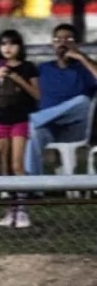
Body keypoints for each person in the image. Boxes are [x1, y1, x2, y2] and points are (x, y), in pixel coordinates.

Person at [24, 23, 97, 205]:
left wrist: (82, 57)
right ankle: (34, 190)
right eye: (58, 40)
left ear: (76, 44)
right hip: (50, 127)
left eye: (68, 39)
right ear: (53, 44)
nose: (62, 43)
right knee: (34, 134)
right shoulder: (43, 68)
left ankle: (34, 119)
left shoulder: (83, 68)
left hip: (77, 128)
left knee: (83, 101)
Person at [0, 30, 39, 228]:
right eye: (3, 44)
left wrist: (17, 78)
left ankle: (22, 209)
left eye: (12, 44)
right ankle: (10, 209)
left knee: (17, 164)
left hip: (19, 119)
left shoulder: (28, 67)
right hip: (0, 119)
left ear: (19, 47)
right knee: (4, 165)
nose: (7, 48)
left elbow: (37, 94)